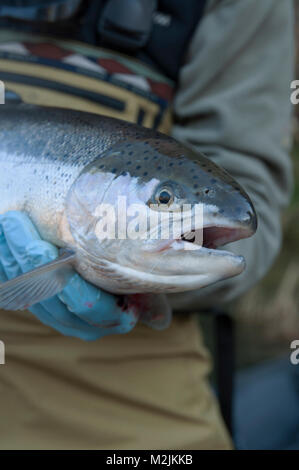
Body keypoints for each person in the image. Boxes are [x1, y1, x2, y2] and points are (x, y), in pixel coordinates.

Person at [0, 0, 294, 449]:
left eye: (161, 199)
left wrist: (135, 281)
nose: (166, 204)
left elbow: (249, 212)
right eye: (164, 199)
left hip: (116, 369)